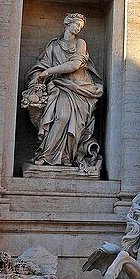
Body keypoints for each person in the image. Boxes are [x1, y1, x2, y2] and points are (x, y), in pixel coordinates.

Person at [21, 14, 104, 170]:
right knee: (61, 116)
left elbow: (74, 65)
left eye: (81, 26)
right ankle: (46, 155)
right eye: (77, 25)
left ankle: (67, 156)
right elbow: (40, 67)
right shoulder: (53, 46)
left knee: (74, 123)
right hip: (59, 87)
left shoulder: (80, 43)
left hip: (80, 89)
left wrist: (48, 72)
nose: (79, 28)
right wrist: (37, 77)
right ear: (68, 24)